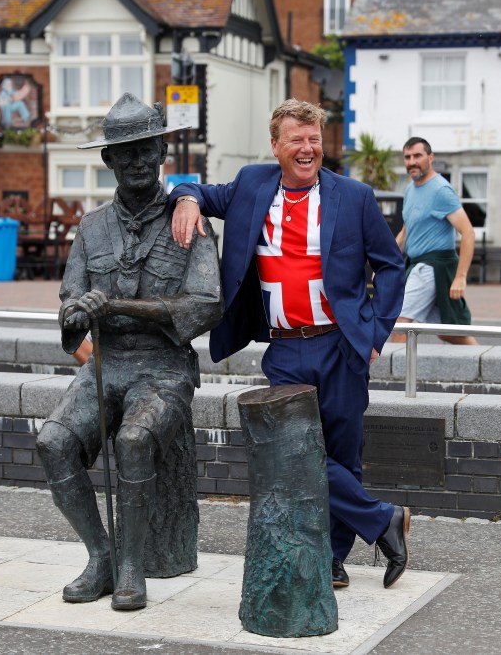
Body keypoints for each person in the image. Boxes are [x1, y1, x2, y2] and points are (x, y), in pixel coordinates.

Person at [170, 99, 411, 590]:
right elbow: (194, 186)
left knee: (343, 455)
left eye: (315, 139)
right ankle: (383, 519)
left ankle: (333, 558)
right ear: (276, 145)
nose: (308, 149)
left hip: (341, 345)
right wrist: (187, 199)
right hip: (285, 348)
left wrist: (375, 333)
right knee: (295, 453)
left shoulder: (355, 196)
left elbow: (391, 264)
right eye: (297, 140)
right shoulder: (251, 185)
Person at [35, 93, 222, 611]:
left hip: (164, 369)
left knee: (135, 440)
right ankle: (102, 557)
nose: (138, 161)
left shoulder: (190, 220)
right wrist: (77, 314)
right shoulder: (91, 227)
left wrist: (121, 305)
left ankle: (134, 566)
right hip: (106, 363)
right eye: (126, 152)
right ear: (108, 160)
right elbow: (69, 302)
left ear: (163, 150)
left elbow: (205, 305)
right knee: (53, 442)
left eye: (148, 149)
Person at [394, 137, 478, 345]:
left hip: (432, 267)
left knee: (400, 324)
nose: (412, 161)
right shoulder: (410, 189)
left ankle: (398, 378)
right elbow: (406, 231)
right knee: (447, 331)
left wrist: (461, 277)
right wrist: (384, 261)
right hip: (416, 266)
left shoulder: (441, 190)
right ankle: (488, 367)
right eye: (407, 157)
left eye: (417, 156)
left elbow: (468, 232)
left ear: (431, 158)